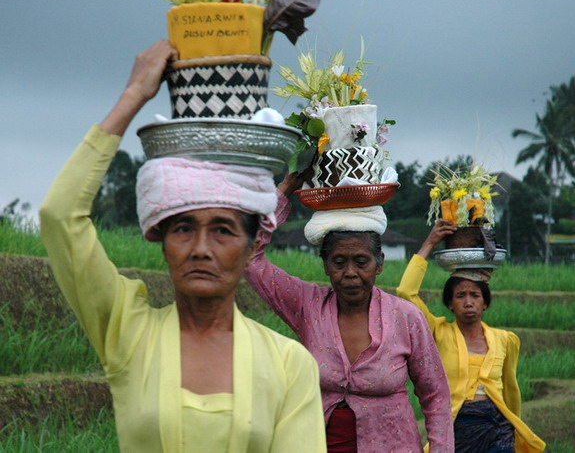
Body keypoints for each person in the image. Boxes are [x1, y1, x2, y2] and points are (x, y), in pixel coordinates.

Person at [40, 41, 326, 453]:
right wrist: (134, 94)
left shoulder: (287, 363)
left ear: (251, 248)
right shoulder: (127, 332)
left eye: (224, 231)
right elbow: (60, 217)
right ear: (162, 240)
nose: (201, 248)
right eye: (183, 229)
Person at [244, 173, 454, 452]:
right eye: (339, 262)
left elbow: (435, 396)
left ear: (379, 264)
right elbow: (249, 256)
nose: (351, 273)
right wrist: (285, 189)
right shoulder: (307, 305)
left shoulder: (406, 317)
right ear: (325, 265)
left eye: (361, 262)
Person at [396, 219, 546, 452]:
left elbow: (510, 391)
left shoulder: (505, 340)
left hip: (499, 428)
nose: (468, 302)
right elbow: (405, 292)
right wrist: (430, 242)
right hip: (458, 427)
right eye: (460, 295)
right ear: (450, 303)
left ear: (485, 302)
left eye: (475, 295)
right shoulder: (438, 332)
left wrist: (516, 428)